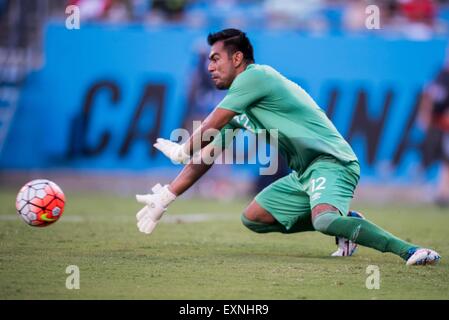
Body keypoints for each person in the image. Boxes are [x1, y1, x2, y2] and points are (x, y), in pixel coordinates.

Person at [135, 28, 441, 266]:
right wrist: (166, 196)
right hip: (304, 172)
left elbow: (212, 122)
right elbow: (208, 156)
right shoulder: (238, 105)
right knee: (253, 217)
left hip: (332, 161)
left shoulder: (256, 77)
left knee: (323, 220)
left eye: (216, 59)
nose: (210, 67)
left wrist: (182, 150)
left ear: (238, 58)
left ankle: (410, 250)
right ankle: (347, 225)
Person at [419, 47, 449, 207]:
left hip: (443, 124)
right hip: (440, 124)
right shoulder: (442, 75)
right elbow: (429, 95)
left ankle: (443, 192)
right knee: (443, 159)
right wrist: (425, 115)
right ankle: (442, 192)